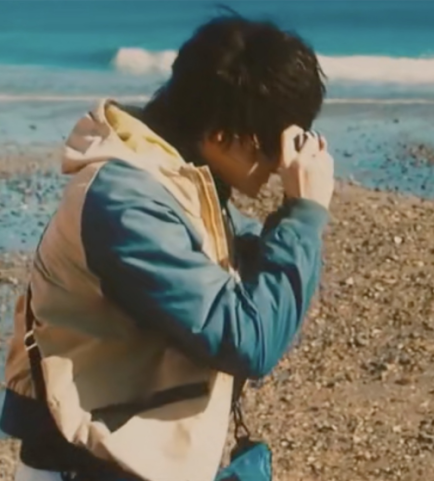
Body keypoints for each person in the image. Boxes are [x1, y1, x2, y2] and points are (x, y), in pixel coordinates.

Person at [1, 11, 334, 481]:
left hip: (127, 458)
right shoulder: (127, 203)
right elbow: (250, 340)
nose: (281, 164)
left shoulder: (181, 179)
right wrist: (303, 212)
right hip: (86, 466)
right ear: (221, 134)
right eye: (274, 146)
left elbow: (254, 298)